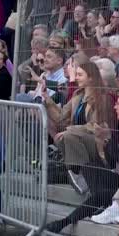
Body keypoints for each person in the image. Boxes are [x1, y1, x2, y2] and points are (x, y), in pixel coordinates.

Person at [43, 62, 114, 195]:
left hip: (98, 140)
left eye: (80, 75)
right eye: (76, 74)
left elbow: (96, 125)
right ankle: (77, 172)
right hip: (80, 139)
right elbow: (61, 117)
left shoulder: (102, 97)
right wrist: (47, 99)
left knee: (68, 136)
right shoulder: (78, 95)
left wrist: (70, 130)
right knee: (62, 138)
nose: (76, 78)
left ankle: (78, 173)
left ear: (91, 77)